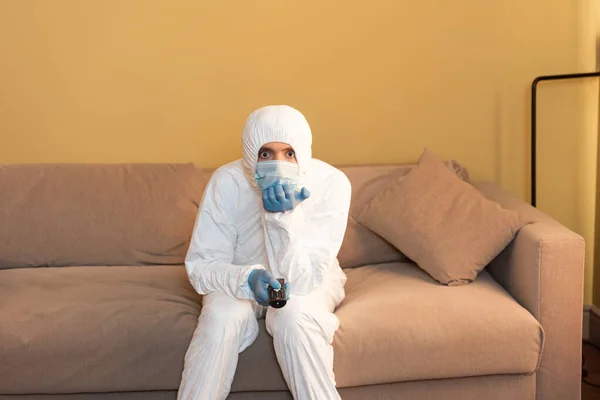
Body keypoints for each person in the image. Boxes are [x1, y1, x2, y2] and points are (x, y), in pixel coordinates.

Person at [177, 105, 352, 400]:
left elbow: (304, 281)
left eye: (289, 153)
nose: (278, 163)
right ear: (250, 154)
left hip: (310, 279)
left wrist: (282, 220)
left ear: (303, 152)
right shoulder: (227, 181)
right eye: (266, 154)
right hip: (238, 277)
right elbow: (201, 266)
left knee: (293, 316)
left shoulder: (331, 184)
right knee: (220, 317)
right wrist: (248, 278)